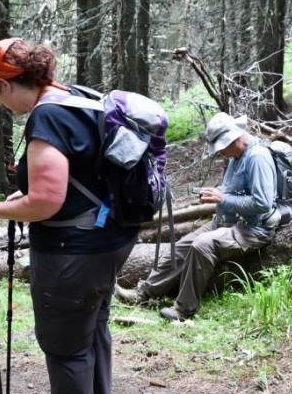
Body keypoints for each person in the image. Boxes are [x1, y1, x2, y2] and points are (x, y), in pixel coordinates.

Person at [0, 38, 138, 394]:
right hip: (110, 239)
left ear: (4, 85)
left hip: (72, 251)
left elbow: (45, 201)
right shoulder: (78, 98)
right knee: (91, 329)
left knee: (64, 345)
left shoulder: (47, 118)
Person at [115, 112, 277, 321]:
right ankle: (145, 293)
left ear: (235, 138)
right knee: (182, 246)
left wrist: (223, 199)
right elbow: (233, 191)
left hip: (252, 229)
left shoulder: (257, 157)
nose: (222, 154)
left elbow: (262, 203)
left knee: (202, 245)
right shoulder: (238, 156)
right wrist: (215, 193)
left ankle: (184, 310)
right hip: (227, 223)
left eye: (222, 148)